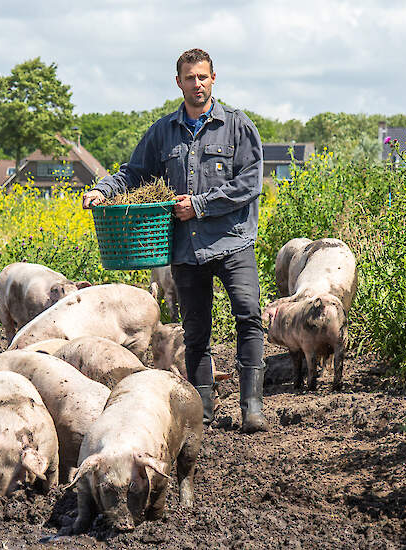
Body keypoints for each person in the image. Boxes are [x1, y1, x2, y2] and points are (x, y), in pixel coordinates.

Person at [82, 48, 267, 433]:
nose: (196, 84)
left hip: (232, 242)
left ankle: (252, 407)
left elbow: (249, 182)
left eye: (202, 77)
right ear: (178, 82)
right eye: (189, 78)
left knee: (248, 316)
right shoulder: (163, 132)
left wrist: (200, 205)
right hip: (186, 248)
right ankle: (204, 411)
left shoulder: (237, 126)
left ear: (214, 79)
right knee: (196, 330)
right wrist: (102, 190)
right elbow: (133, 173)